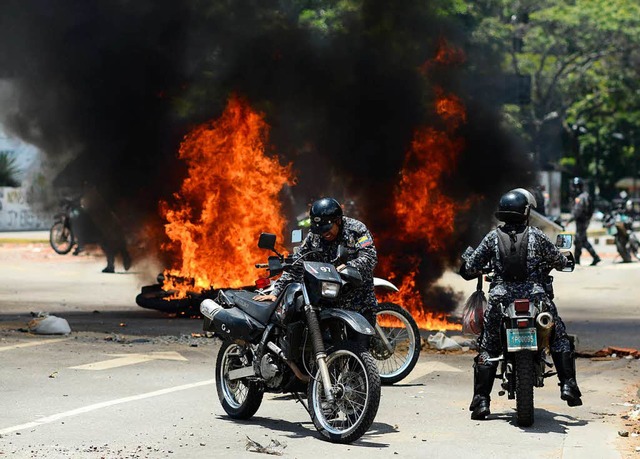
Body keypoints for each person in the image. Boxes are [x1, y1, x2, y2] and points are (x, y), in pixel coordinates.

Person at [459, 189, 582, 420]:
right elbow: (558, 259)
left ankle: (481, 401)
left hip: (500, 300)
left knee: (488, 345)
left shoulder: (492, 237)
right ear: (526, 212)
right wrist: (565, 260)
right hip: (536, 298)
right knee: (558, 336)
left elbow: (472, 266)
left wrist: (467, 267)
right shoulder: (536, 235)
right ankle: (568, 385)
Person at [253, 197, 378, 324]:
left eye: (327, 229)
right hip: (329, 301)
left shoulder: (356, 230)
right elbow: (298, 264)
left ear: (338, 221)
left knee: (363, 342)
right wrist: (276, 292)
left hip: (359, 301)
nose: (324, 234)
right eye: (320, 230)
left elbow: (369, 257)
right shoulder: (314, 236)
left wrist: (348, 267)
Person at [567, 177, 601, 266]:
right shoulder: (585, 195)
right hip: (584, 221)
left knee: (581, 240)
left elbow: (577, 211)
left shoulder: (581, 197)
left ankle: (595, 257)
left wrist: (570, 220)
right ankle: (577, 260)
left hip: (581, 221)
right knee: (579, 240)